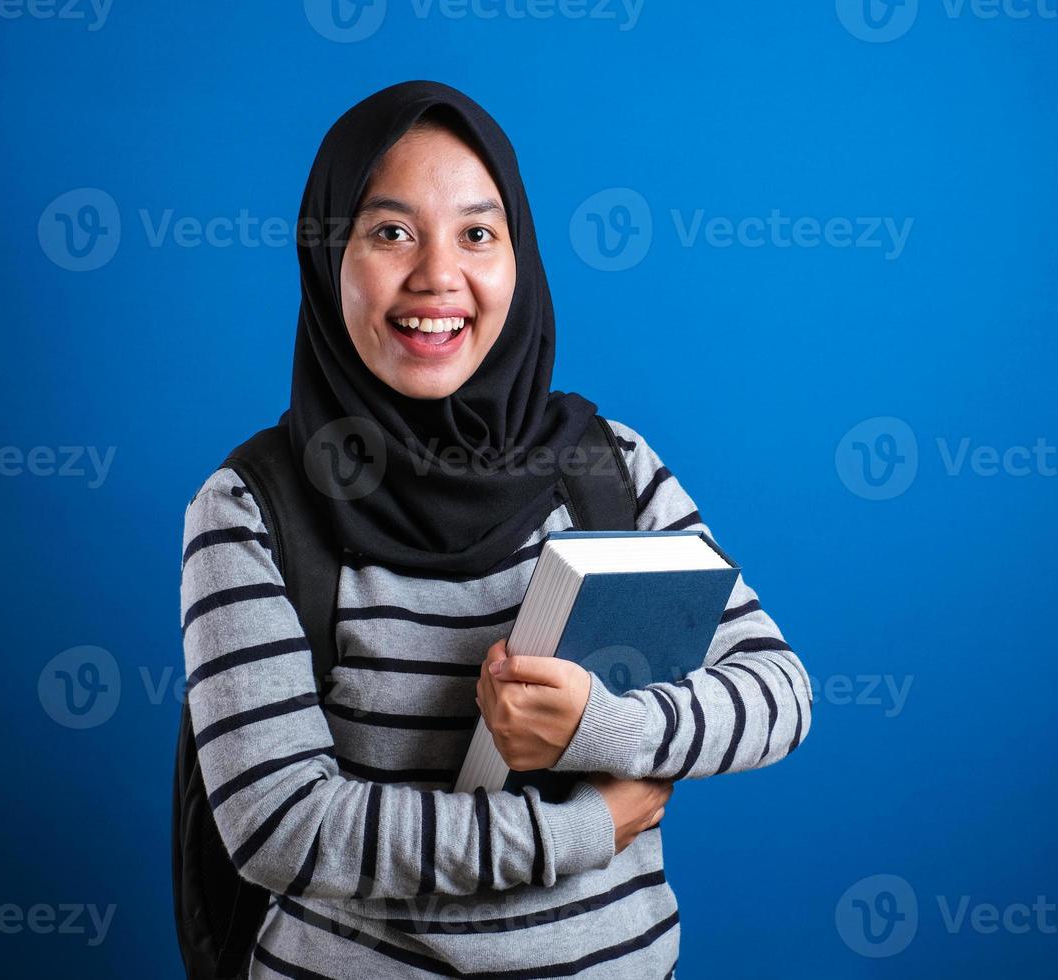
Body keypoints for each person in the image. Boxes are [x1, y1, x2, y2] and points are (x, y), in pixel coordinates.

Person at [178, 80, 813, 978]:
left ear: (521, 256)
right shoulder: (250, 508)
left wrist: (608, 728)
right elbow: (279, 825)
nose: (438, 275)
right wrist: (583, 828)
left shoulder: (607, 465)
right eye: (390, 231)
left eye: (478, 233)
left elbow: (781, 693)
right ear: (328, 259)